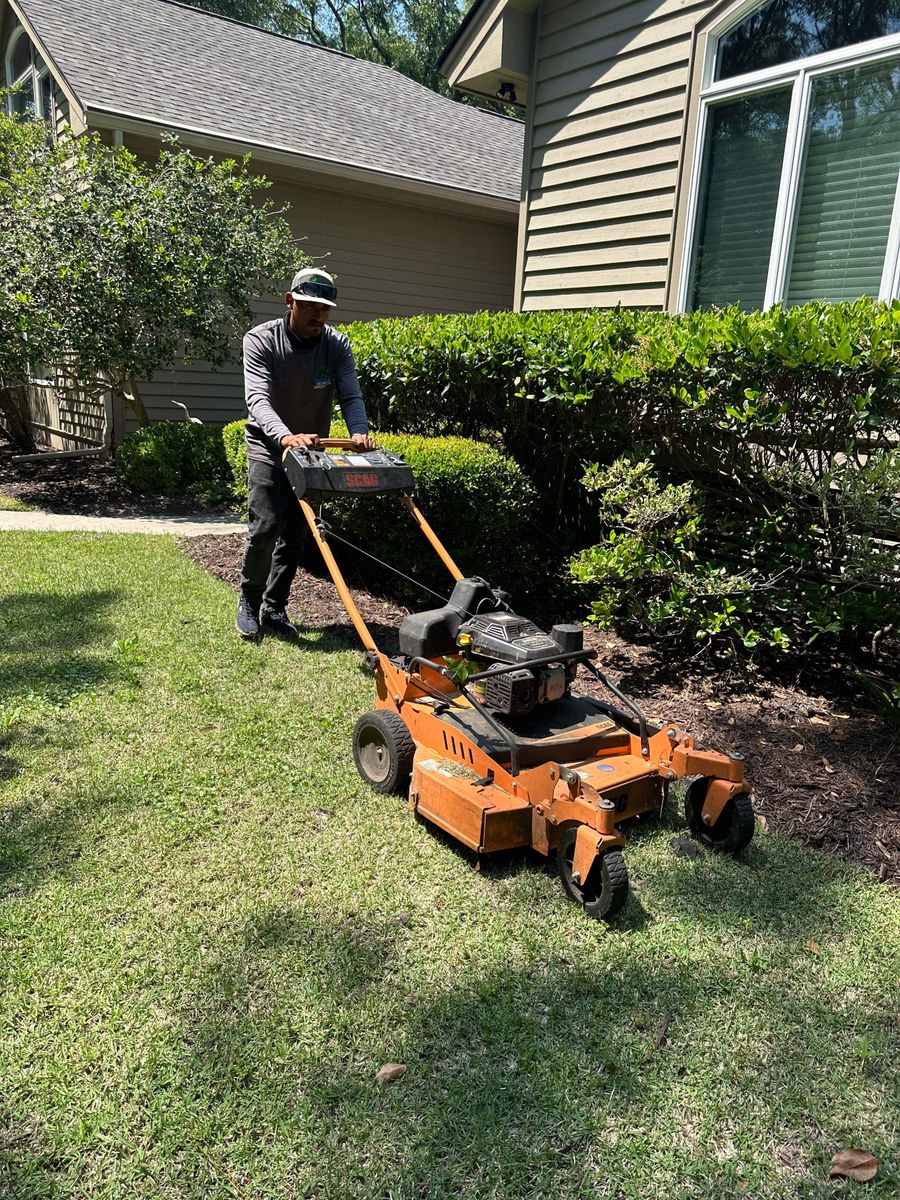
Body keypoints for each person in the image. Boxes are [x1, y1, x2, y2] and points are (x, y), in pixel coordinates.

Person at [236, 267, 374, 641]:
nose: (319, 315)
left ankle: (275, 607)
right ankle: (249, 601)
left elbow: (350, 395)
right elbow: (257, 399)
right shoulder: (261, 340)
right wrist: (284, 436)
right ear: (290, 301)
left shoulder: (336, 345)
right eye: (311, 306)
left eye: (325, 308)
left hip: (311, 448)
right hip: (269, 444)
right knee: (266, 524)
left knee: (297, 533)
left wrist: (359, 431)